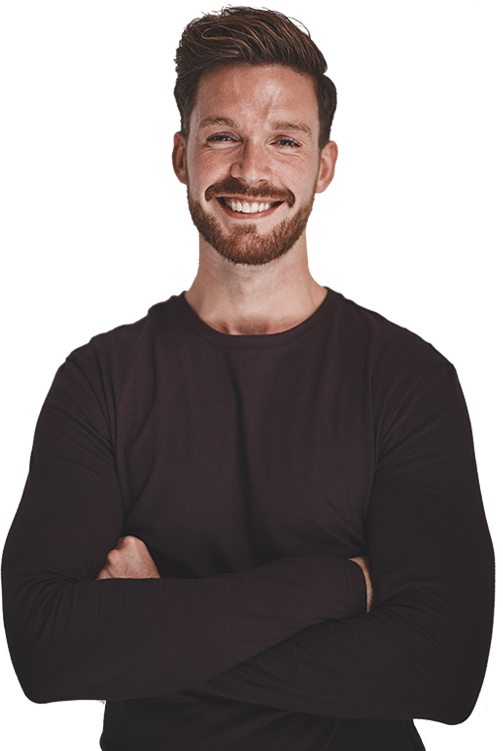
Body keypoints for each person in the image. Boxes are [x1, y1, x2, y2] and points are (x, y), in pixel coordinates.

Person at [1, 8, 494, 751]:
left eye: (284, 140)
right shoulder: (100, 382)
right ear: (182, 158)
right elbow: (46, 652)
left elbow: (442, 672)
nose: (250, 170)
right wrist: (340, 585)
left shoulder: (405, 379)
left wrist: (158, 622)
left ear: (323, 166)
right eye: (222, 136)